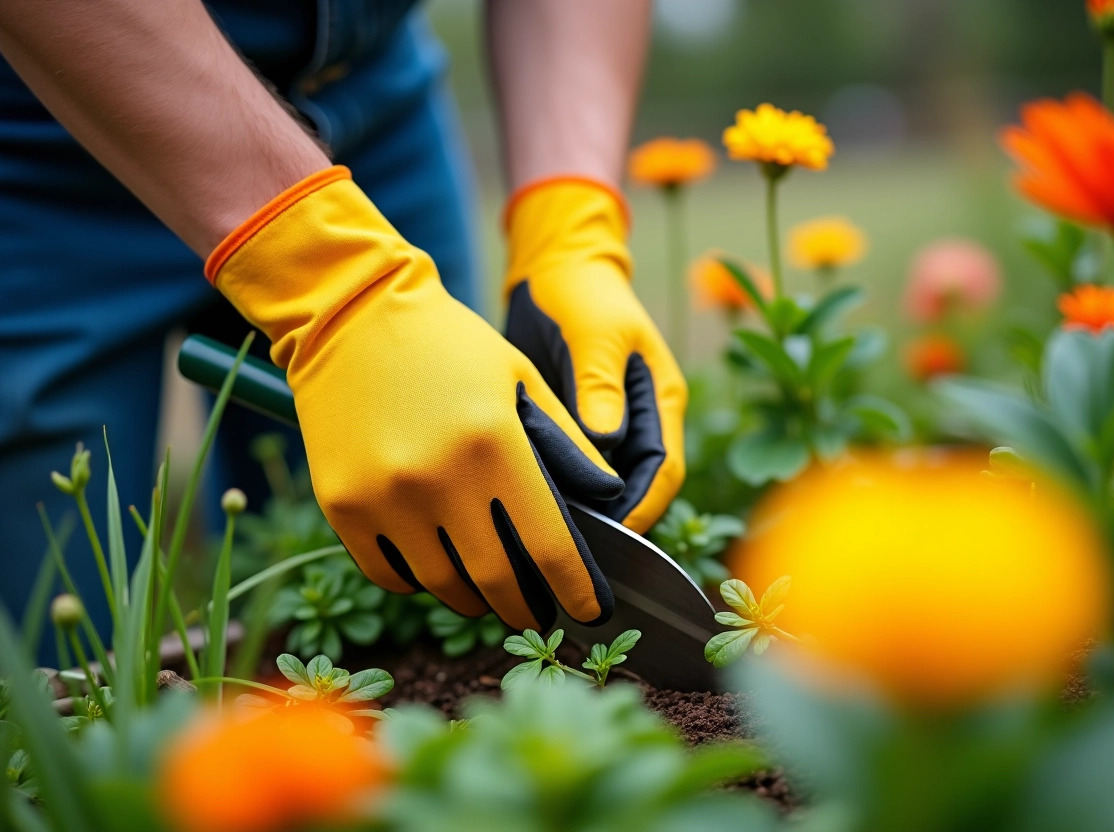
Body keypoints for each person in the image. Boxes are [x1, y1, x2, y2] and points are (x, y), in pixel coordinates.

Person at [0, 0, 686, 660]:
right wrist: (337, 284)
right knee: (65, 664)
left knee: (444, 526)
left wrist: (569, 223)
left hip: (370, 113)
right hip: (41, 136)